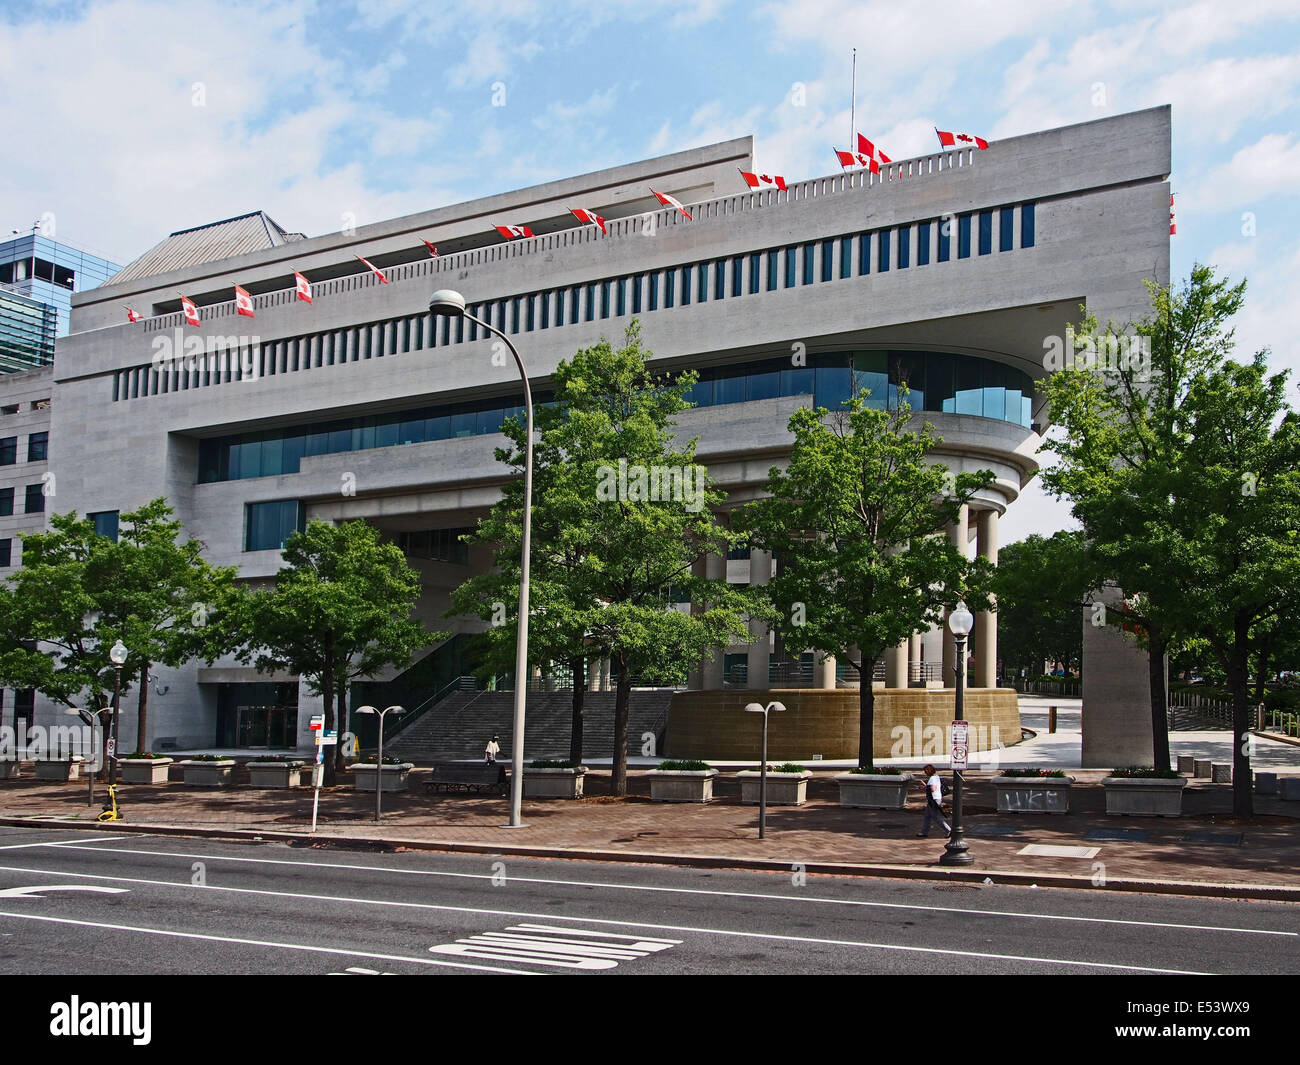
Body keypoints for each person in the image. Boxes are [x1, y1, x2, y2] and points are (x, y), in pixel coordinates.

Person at [916, 763, 951, 838]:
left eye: (925, 771)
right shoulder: (936, 777)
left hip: (934, 799)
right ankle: (924, 832)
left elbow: (933, 789)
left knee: (935, 816)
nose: (925, 773)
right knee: (927, 816)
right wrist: (925, 786)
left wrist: (925, 787)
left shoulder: (932, 778)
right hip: (935, 798)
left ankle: (949, 830)